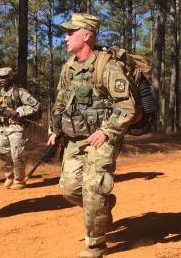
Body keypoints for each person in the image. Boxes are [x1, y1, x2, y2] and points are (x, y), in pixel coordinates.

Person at [47, 13, 136, 257]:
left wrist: (106, 131)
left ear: (86, 35)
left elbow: (126, 106)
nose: (65, 37)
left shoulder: (107, 66)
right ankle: (105, 206)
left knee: (92, 187)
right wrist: (54, 130)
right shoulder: (69, 67)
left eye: (70, 32)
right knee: (68, 189)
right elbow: (60, 102)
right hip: (75, 138)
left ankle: (95, 244)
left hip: (103, 136)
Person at [0, 67, 40, 190]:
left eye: (4, 77)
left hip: (17, 127)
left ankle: (19, 180)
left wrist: (18, 111)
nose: (1, 79)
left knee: (17, 155)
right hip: (3, 128)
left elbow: (35, 105)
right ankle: (9, 175)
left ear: (11, 77)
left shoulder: (20, 92)